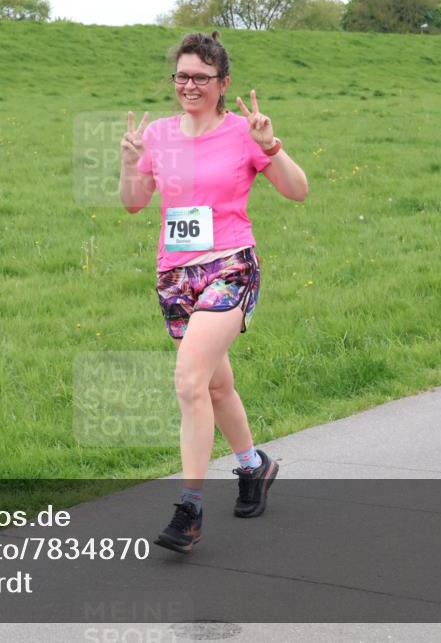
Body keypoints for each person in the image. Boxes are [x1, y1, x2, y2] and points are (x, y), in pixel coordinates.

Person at [119, 30, 309, 553]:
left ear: (223, 83)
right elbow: (134, 202)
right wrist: (129, 162)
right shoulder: (158, 135)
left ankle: (189, 509)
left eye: (201, 78)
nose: (190, 85)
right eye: (182, 76)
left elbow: (298, 190)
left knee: (188, 383)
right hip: (175, 277)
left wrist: (270, 145)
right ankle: (253, 466)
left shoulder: (244, 132)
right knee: (216, 387)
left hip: (230, 267)